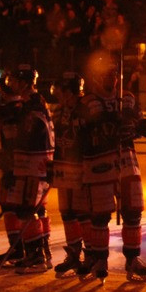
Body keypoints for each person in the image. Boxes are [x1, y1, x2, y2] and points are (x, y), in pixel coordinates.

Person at [73, 52, 146, 283]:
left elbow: (138, 124)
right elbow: (89, 127)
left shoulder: (127, 98)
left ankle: (132, 258)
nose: (112, 80)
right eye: (107, 75)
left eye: (114, 75)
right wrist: (113, 121)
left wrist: (141, 127)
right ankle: (100, 259)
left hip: (127, 164)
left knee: (133, 212)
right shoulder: (88, 101)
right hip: (98, 165)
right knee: (99, 216)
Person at [0, 64, 55, 272]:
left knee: (28, 210)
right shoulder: (32, 103)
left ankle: (37, 255)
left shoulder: (33, 104)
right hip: (31, 163)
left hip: (33, 164)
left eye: (15, 81)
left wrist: (11, 155)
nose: (12, 86)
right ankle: (38, 251)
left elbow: (29, 134)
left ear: (24, 82)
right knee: (30, 209)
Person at [49, 72, 87, 278]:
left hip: (82, 170)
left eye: (61, 91)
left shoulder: (85, 109)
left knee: (84, 214)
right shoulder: (59, 111)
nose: (58, 95)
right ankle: (73, 254)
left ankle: (91, 256)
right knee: (67, 213)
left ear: (70, 91)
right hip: (63, 170)